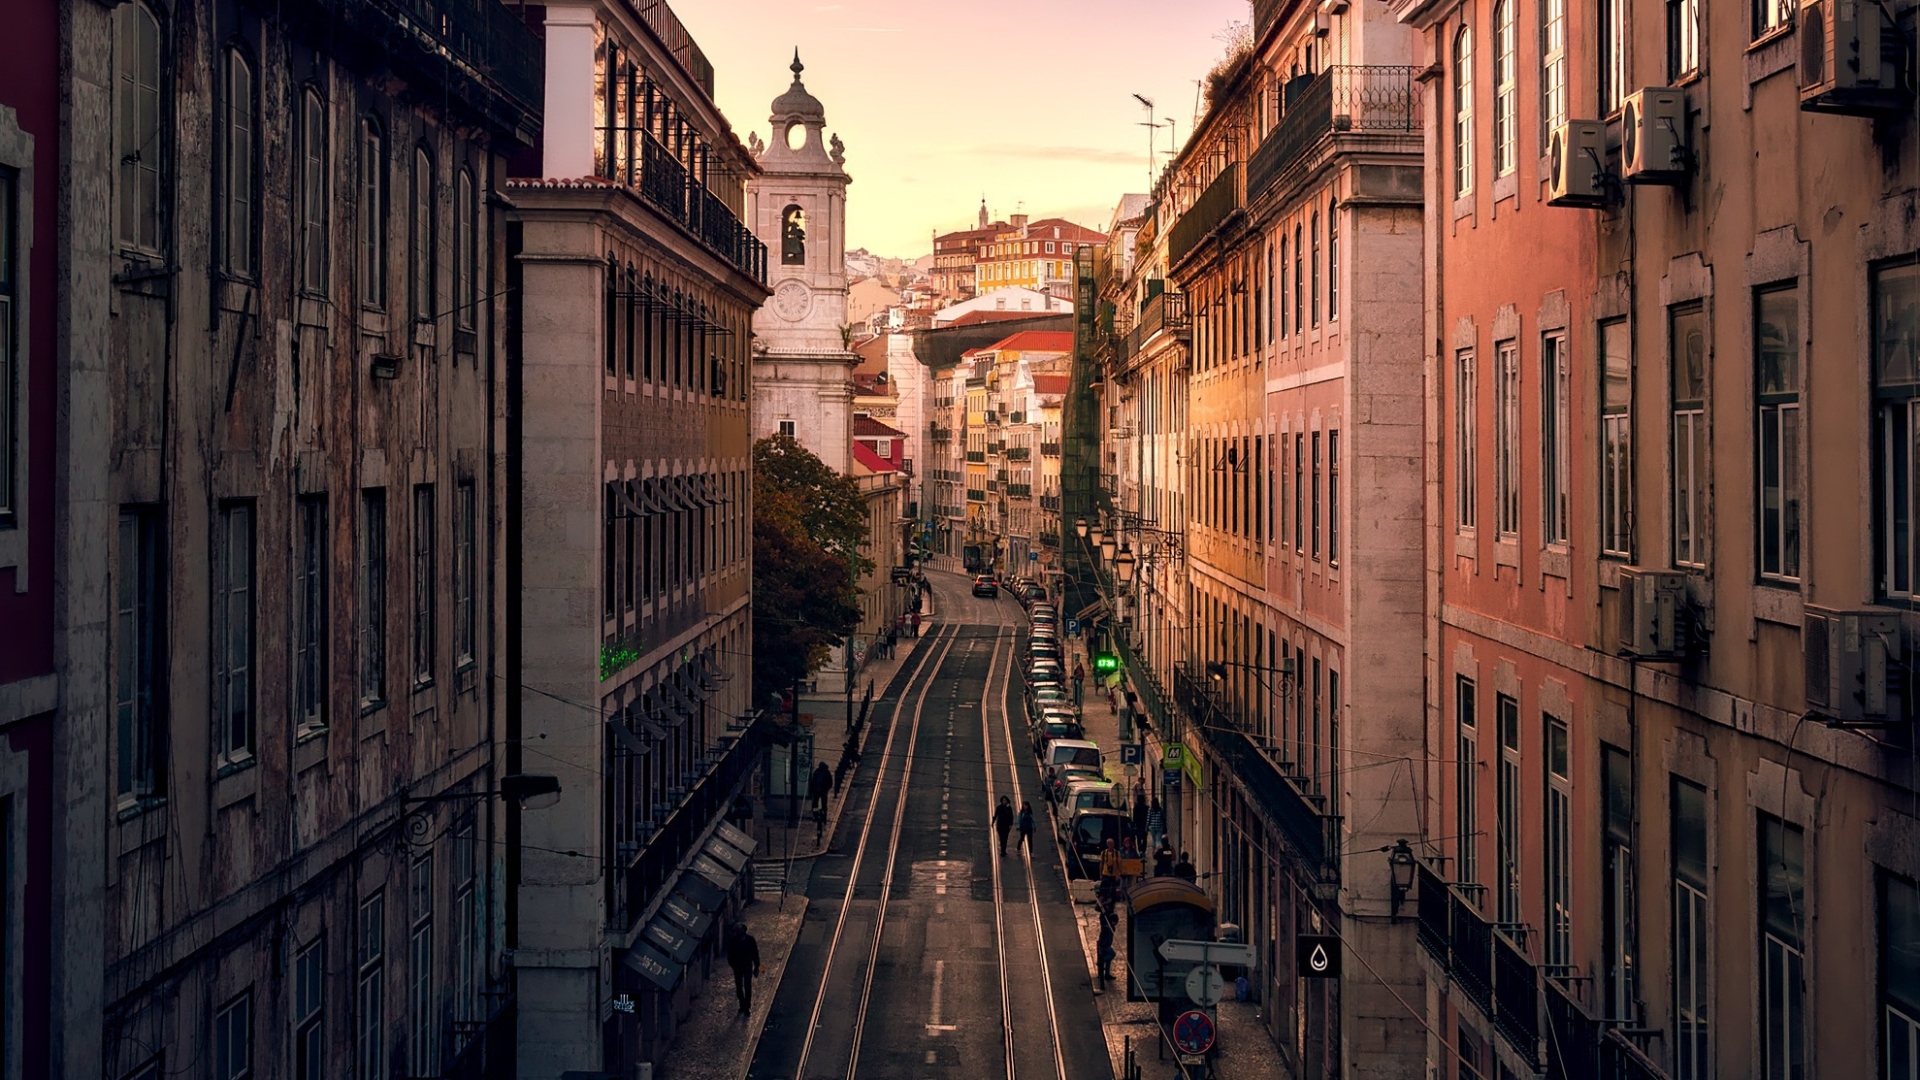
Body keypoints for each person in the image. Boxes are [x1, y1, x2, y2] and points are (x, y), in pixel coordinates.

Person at [725, 922, 761, 1016]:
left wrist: (757, 966)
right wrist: (733, 965)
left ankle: (747, 1007)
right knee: (739, 987)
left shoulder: (750, 940)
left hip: (747, 966)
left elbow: (755, 954)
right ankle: (742, 1004)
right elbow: (730, 955)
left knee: (747, 986)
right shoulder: (733, 941)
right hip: (738, 967)